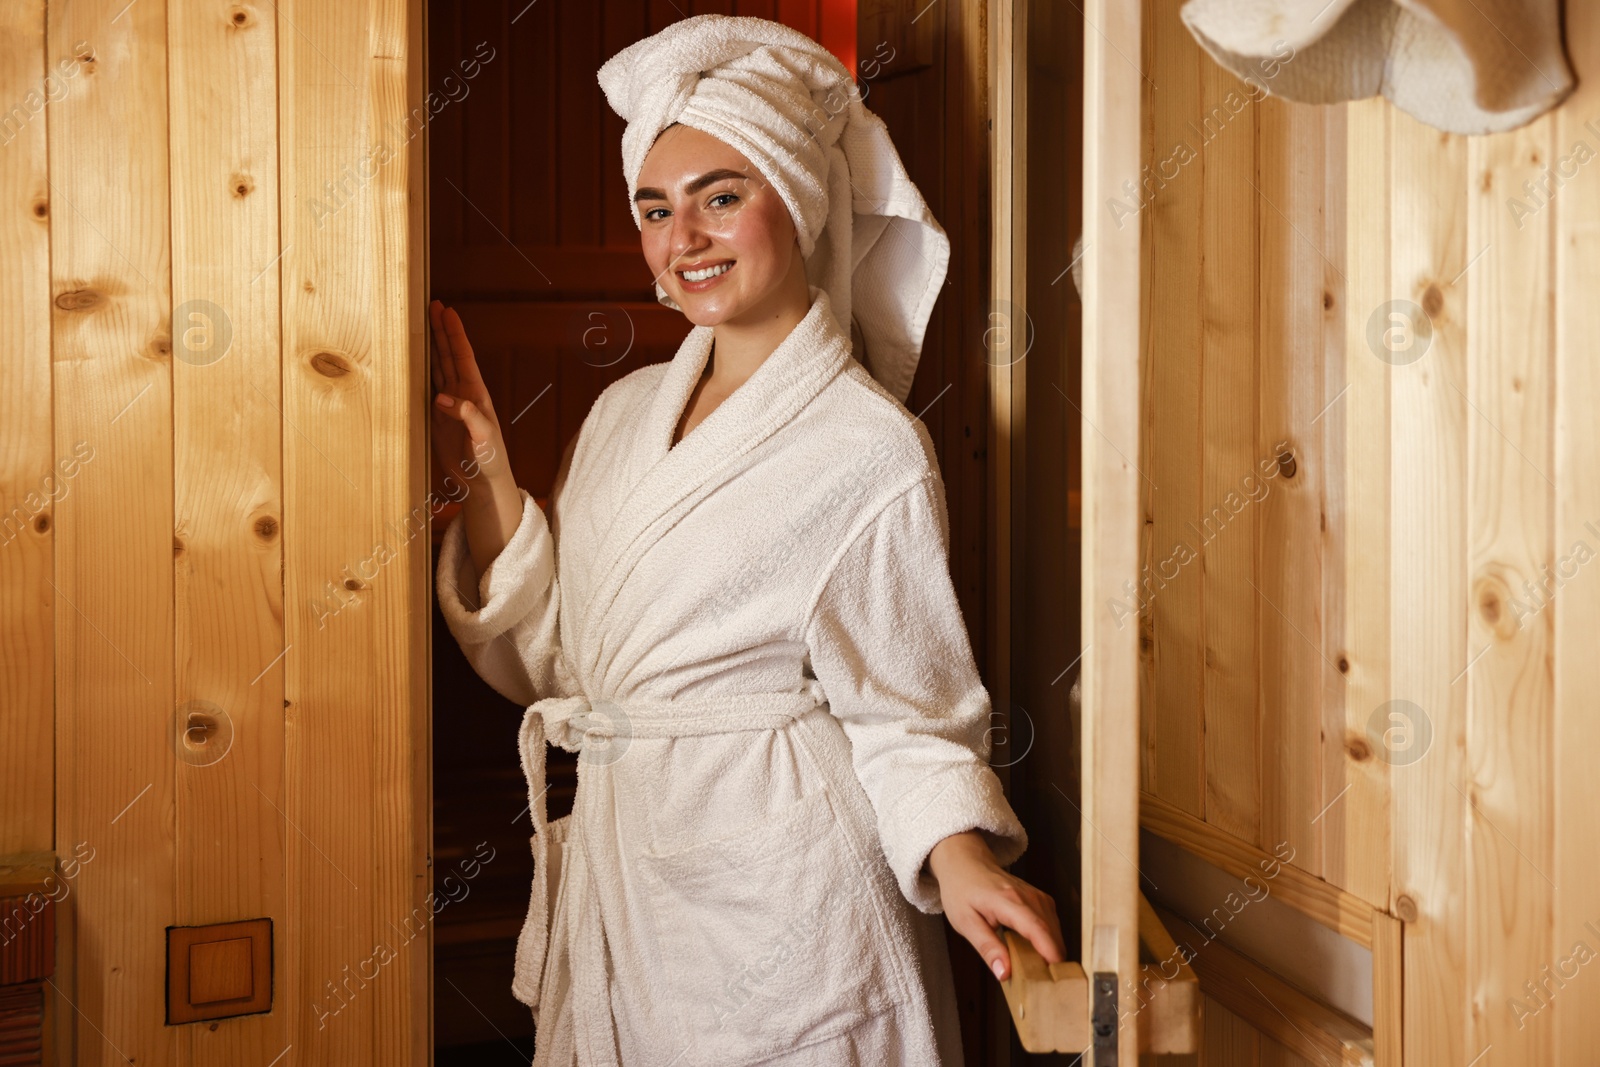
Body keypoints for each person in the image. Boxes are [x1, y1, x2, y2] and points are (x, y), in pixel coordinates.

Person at [431, 14, 1064, 1066]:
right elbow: (565, 656)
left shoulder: (870, 447)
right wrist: (491, 479)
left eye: (721, 197)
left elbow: (908, 713)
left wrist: (959, 858)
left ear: (801, 199)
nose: (683, 240)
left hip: (788, 895)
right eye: (654, 209)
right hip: (628, 870)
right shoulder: (626, 413)